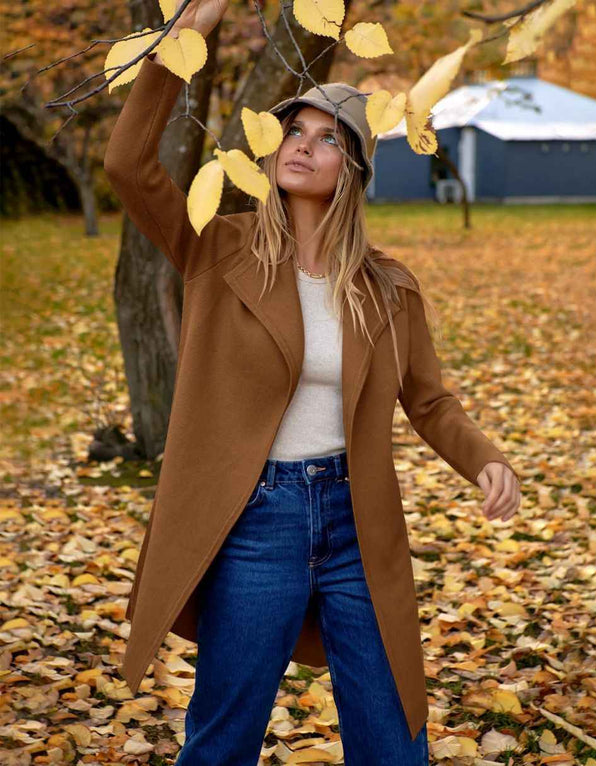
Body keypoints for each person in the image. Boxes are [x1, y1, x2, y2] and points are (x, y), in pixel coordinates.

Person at [103, 1, 521, 763]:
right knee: (223, 740)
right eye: (294, 129)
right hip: (255, 522)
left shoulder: (388, 287)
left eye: (329, 138)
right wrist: (184, 36)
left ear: (354, 169)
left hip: (359, 524)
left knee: (394, 741)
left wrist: (486, 459)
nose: (303, 144)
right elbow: (128, 166)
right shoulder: (217, 251)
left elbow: (429, 401)